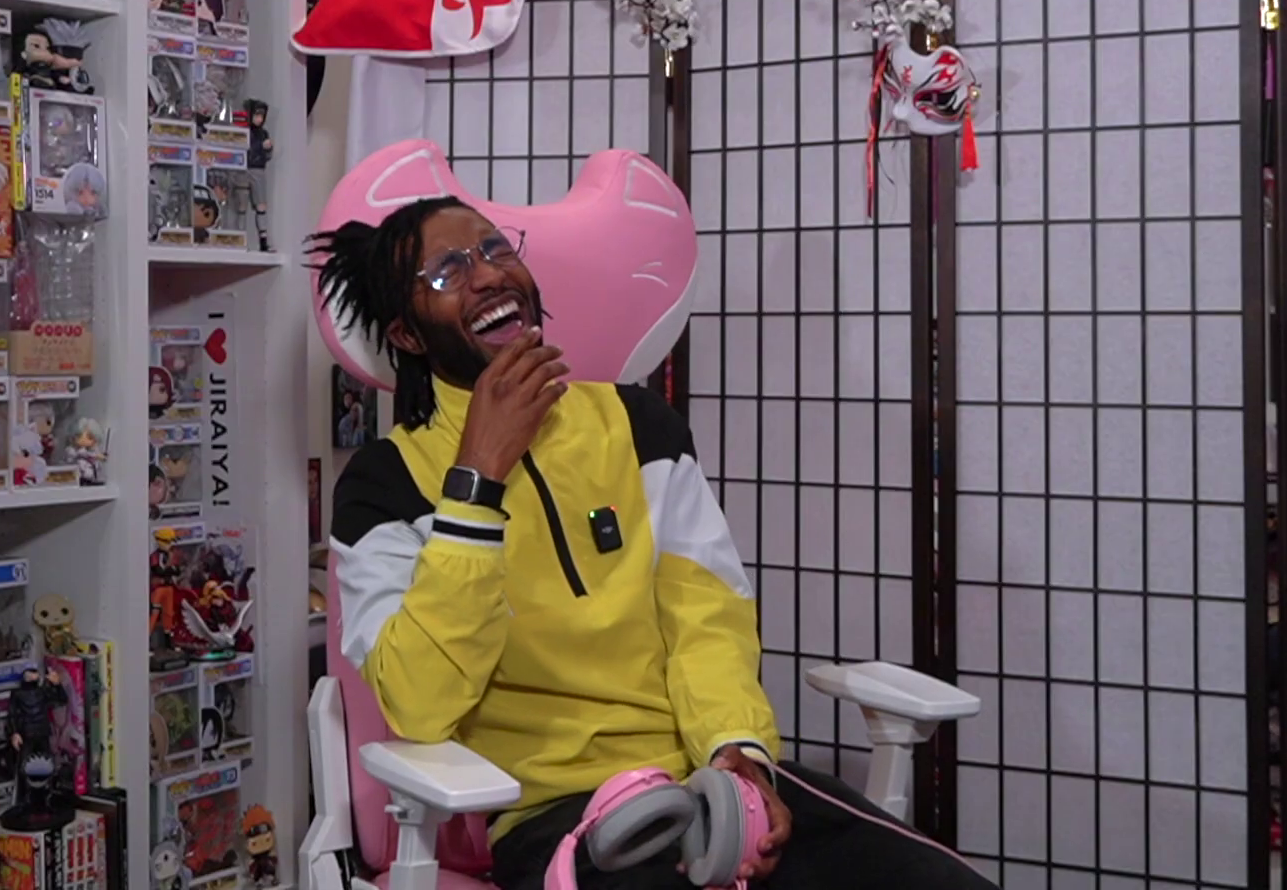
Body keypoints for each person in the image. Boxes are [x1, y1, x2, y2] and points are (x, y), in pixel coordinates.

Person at [314, 199, 997, 890]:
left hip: (710, 780)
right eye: (448, 272)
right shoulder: (383, 484)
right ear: (406, 334)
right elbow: (421, 703)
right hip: (554, 814)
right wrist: (477, 480)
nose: (489, 275)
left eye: (495, 249)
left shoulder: (636, 424)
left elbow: (706, 616)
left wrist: (739, 750)